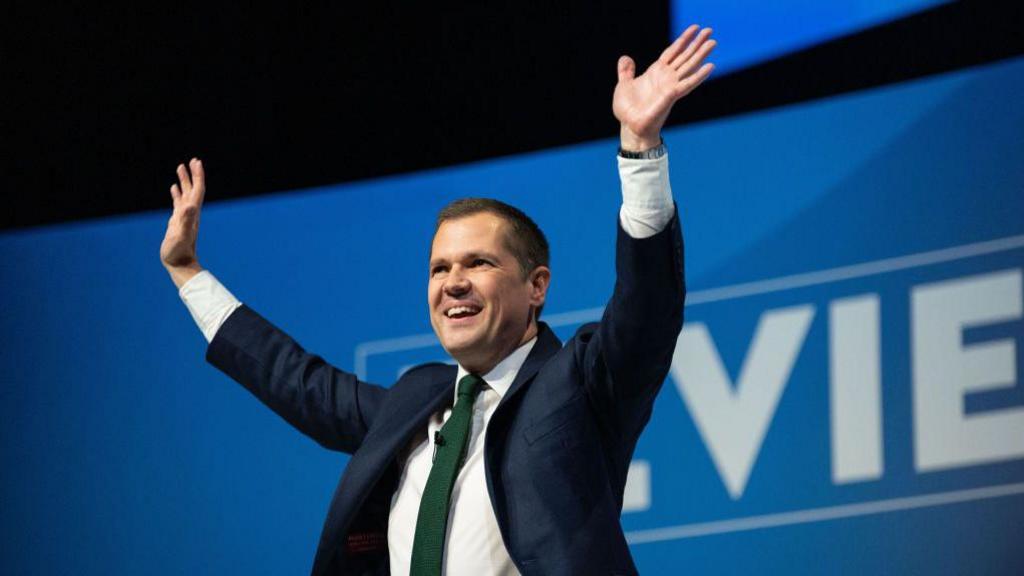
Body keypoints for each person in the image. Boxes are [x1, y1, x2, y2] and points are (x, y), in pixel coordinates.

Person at [161, 25, 715, 576]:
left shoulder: (581, 383)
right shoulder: (412, 400)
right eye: (440, 268)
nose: (452, 282)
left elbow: (646, 308)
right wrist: (188, 272)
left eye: (479, 263)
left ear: (536, 287)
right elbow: (294, 379)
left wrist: (640, 148)